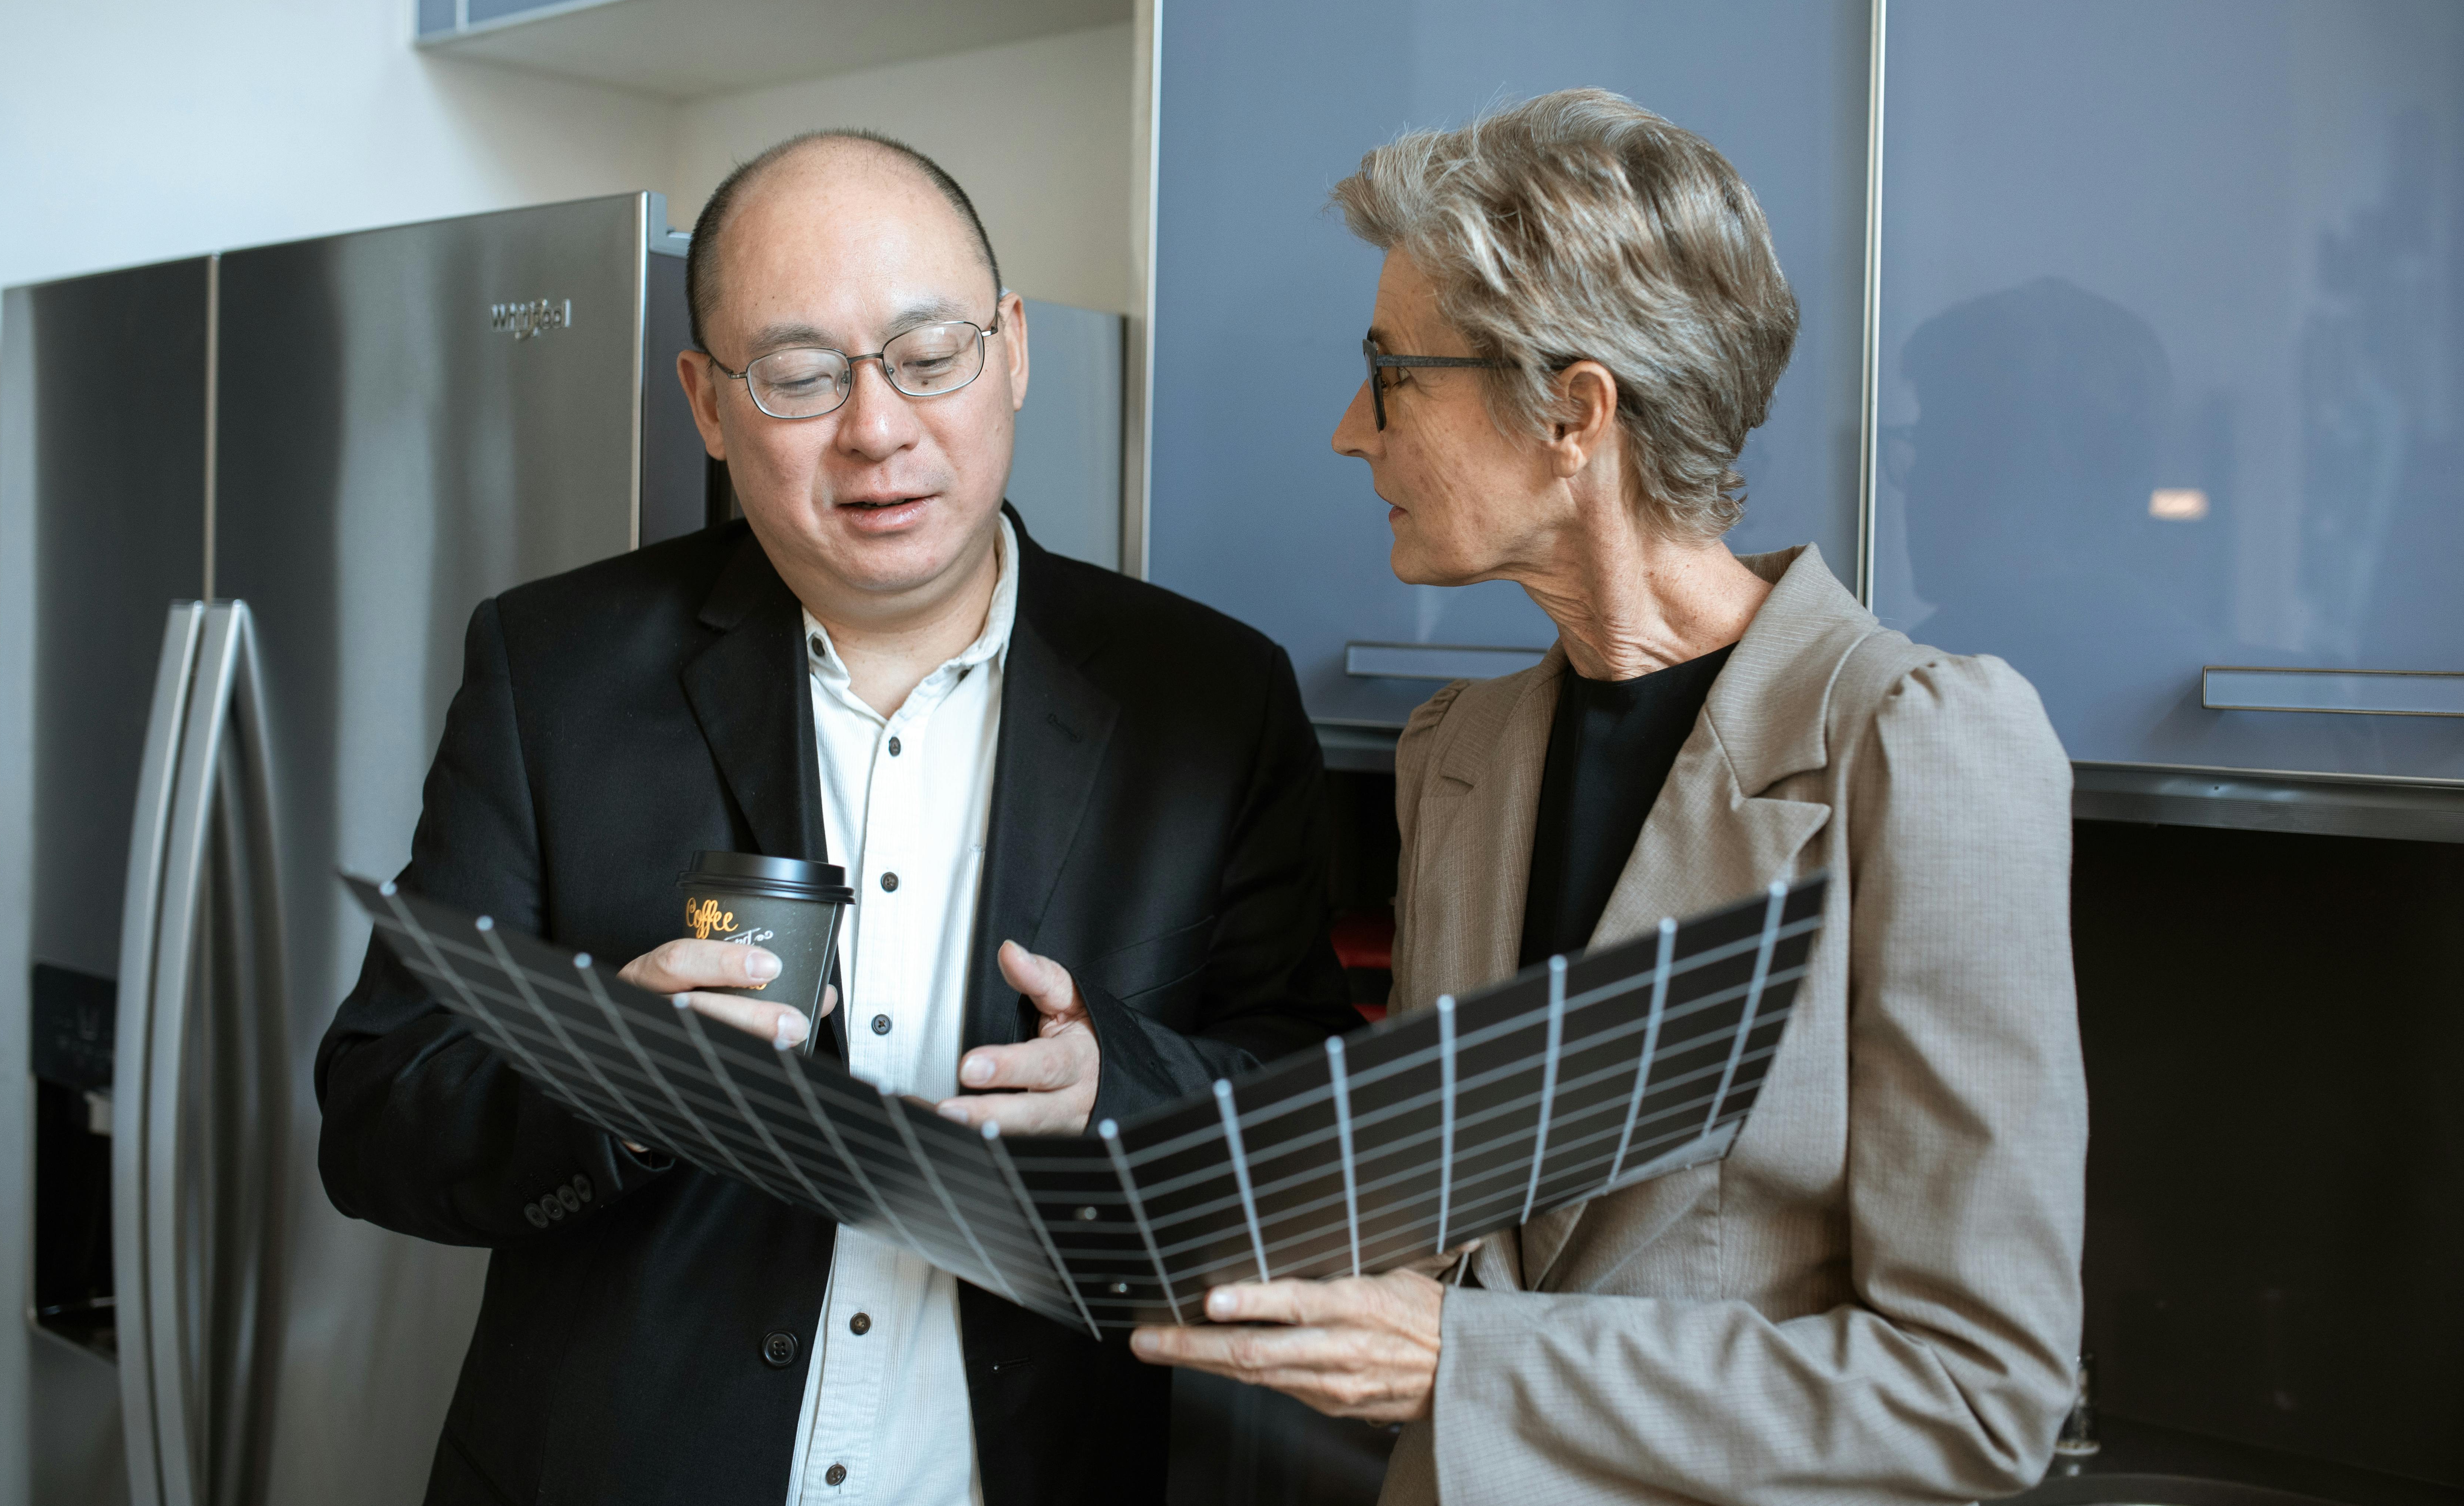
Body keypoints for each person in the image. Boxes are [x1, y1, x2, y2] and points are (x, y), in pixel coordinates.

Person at [315, 129, 1358, 1506]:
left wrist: (1121, 1089)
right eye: (800, 377)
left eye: (930, 358)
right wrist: (610, 1080)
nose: (878, 430)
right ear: (705, 402)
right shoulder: (554, 672)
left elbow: (1312, 1111)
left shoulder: (1209, 696)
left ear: (1016, 350)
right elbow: (378, 1114)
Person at [1132, 90, 2089, 1503]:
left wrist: (1465, 1359)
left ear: (1573, 413)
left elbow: (1977, 1394)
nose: (1350, 430)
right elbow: (1478, 1236)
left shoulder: (1919, 743)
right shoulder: (1456, 750)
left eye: (1391, 373)